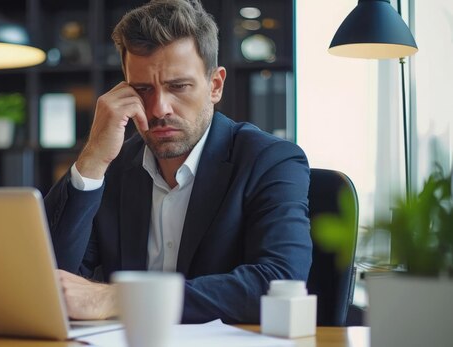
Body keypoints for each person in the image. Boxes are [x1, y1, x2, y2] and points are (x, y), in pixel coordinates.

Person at [44, 0, 312, 324]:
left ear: (215, 86)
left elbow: (279, 282)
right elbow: (51, 282)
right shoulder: (113, 165)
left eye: (178, 87)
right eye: (142, 89)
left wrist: (122, 298)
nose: (159, 109)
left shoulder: (271, 161)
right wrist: (92, 159)